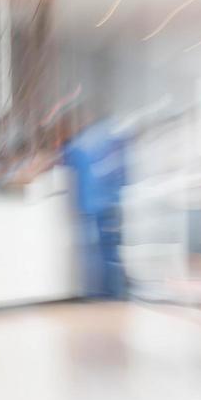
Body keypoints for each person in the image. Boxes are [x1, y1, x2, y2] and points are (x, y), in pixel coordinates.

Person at [62, 118, 128, 301]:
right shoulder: (108, 142)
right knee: (109, 250)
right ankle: (112, 290)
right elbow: (121, 175)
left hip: (92, 206)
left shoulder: (75, 148)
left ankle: (104, 291)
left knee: (97, 252)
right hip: (108, 203)